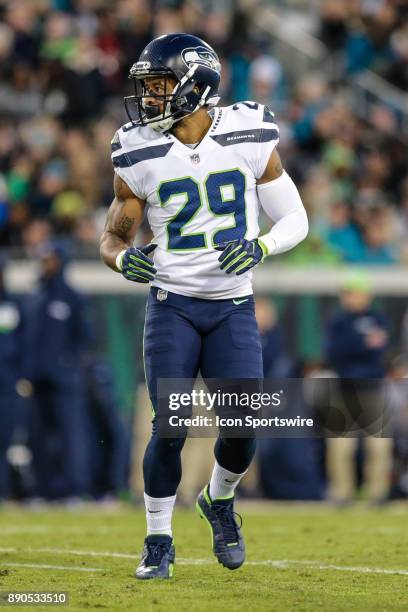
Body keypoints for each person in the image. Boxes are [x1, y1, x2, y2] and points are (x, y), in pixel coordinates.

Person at [100, 33, 308, 579]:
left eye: (160, 85)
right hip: (171, 304)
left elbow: (295, 219)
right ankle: (158, 540)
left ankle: (219, 500)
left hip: (233, 305)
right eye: (146, 86)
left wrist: (261, 245)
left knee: (242, 431)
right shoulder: (134, 147)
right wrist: (124, 261)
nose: (148, 97)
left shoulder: (247, 131)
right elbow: (111, 238)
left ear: (197, 85)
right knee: (169, 427)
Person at [24, 241, 91, 501]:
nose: (46, 264)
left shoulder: (73, 298)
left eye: (50, 259)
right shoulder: (34, 297)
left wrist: (68, 365)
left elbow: (85, 337)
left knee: (71, 436)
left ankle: (75, 489)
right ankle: (42, 490)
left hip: (64, 381)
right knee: (37, 438)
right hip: (36, 381)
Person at [324, 270, 392, 504]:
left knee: (379, 447)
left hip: (373, 389)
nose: (351, 297)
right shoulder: (338, 321)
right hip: (344, 389)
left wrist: (357, 347)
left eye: (355, 292)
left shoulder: (378, 318)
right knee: (341, 448)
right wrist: (362, 344)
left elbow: (381, 351)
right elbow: (335, 353)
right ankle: (342, 493)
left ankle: (377, 493)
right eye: (347, 293)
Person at [0, 254, 24, 500]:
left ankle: (3, 490)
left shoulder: (13, 305)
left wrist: (21, 377)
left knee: (5, 438)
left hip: (7, 383)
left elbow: (23, 345)